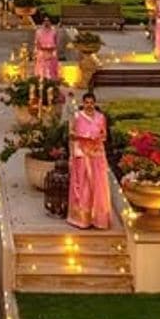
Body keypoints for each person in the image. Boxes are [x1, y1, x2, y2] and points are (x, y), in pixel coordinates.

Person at [67, 92, 112, 230]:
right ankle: (82, 218)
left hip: (96, 154)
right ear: (83, 103)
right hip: (81, 154)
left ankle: (98, 218)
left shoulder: (100, 117)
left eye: (91, 103)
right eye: (86, 102)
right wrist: (83, 136)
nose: (89, 105)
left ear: (95, 103)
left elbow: (104, 135)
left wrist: (96, 137)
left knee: (99, 185)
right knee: (83, 184)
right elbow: (71, 133)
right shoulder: (77, 116)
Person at [32, 14, 60, 81]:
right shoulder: (38, 32)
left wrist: (52, 50)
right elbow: (36, 43)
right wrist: (41, 50)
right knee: (41, 67)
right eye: (45, 21)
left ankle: (52, 80)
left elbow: (57, 42)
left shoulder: (54, 31)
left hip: (52, 52)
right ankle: (40, 79)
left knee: (52, 67)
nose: (46, 22)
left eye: (48, 21)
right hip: (42, 53)